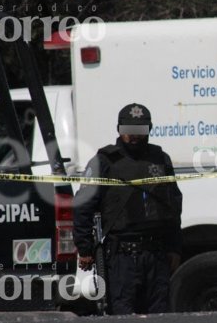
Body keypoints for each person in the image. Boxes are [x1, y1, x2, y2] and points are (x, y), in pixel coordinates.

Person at [73, 103, 183, 314]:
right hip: (121, 256)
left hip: (156, 254)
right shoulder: (104, 161)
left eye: (140, 130)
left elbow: (173, 206)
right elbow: (83, 206)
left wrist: (174, 247)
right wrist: (85, 248)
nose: (134, 136)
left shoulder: (160, 159)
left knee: (160, 314)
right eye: (129, 131)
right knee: (122, 313)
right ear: (119, 130)